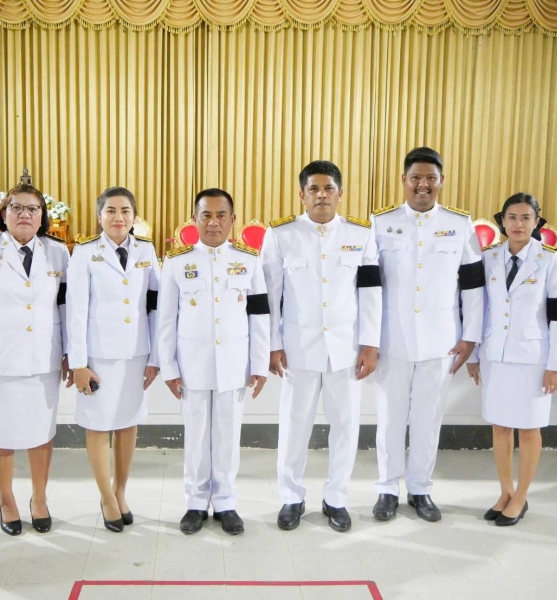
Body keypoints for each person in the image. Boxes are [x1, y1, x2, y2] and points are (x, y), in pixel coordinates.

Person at [261, 161, 382, 532]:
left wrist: (370, 343)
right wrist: (272, 344)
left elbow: (371, 292)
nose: (321, 195)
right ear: (302, 195)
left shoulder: (361, 233)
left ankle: (336, 498)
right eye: (313, 189)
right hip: (298, 348)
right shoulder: (281, 234)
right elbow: (270, 296)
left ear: (340, 193)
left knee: (345, 425)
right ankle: (291, 497)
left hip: (346, 350)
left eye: (329, 188)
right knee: (294, 425)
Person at [371, 147, 484, 522]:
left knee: (428, 418)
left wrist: (471, 337)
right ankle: (387, 488)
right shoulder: (380, 223)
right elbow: (368, 288)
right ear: (403, 180)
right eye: (416, 178)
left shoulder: (460, 225)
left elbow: (473, 287)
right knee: (390, 419)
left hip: (441, 341)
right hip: (392, 339)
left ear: (441, 181)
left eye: (430, 178)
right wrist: (367, 339)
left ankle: (420, 488)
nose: (423, 185)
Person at [158, 188, 270, 535]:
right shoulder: (177, 262)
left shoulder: (249, 261)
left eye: (221, 215)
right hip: (191, 364)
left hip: (234, 364)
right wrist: (168, 367)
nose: (213, 222)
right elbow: (166, 319)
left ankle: (225, 502)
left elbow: (259, 315)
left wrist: (259, 364)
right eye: (206, 215)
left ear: (232, 220)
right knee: (196, 436)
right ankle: (195, 502)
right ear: (194, 219)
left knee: (227, 436)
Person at [0, 184, 70, 536]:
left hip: (43, 356)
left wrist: (70, 352)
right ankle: (6, 500)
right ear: (3, 213)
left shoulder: (57, 252)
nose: (25, 214)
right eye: (17, 207)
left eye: (32, 208)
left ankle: (39, 498)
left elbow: (66, 306)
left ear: (42, 216)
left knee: (41, 432)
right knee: (0, 431)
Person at [467, 193, 557, 526]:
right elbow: (481, 310)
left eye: (526, 218)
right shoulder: (489, 257)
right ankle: (505, 491)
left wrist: (556, 366)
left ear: (537, 222)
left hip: (533, 359)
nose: (519, 224)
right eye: (512, 217)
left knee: (528, 428)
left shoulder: (549, 260)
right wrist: (475, 355)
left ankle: (521, 496)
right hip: (496, 355)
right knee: (500, 426)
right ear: (503, 221)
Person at [67, 187, 160, 533]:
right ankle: (106, 497)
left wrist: (155, 357)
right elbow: (75, 311)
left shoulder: (146, 250)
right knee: (98, 425)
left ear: (134, 217)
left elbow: (156, 305)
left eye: (125, 211)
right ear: (99, 216)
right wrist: (78, 363)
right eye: (110, 211)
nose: (118, 217)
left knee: (127, 424)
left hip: (136, 352)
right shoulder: (84, 253)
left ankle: (120, 491)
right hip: (98, 356)